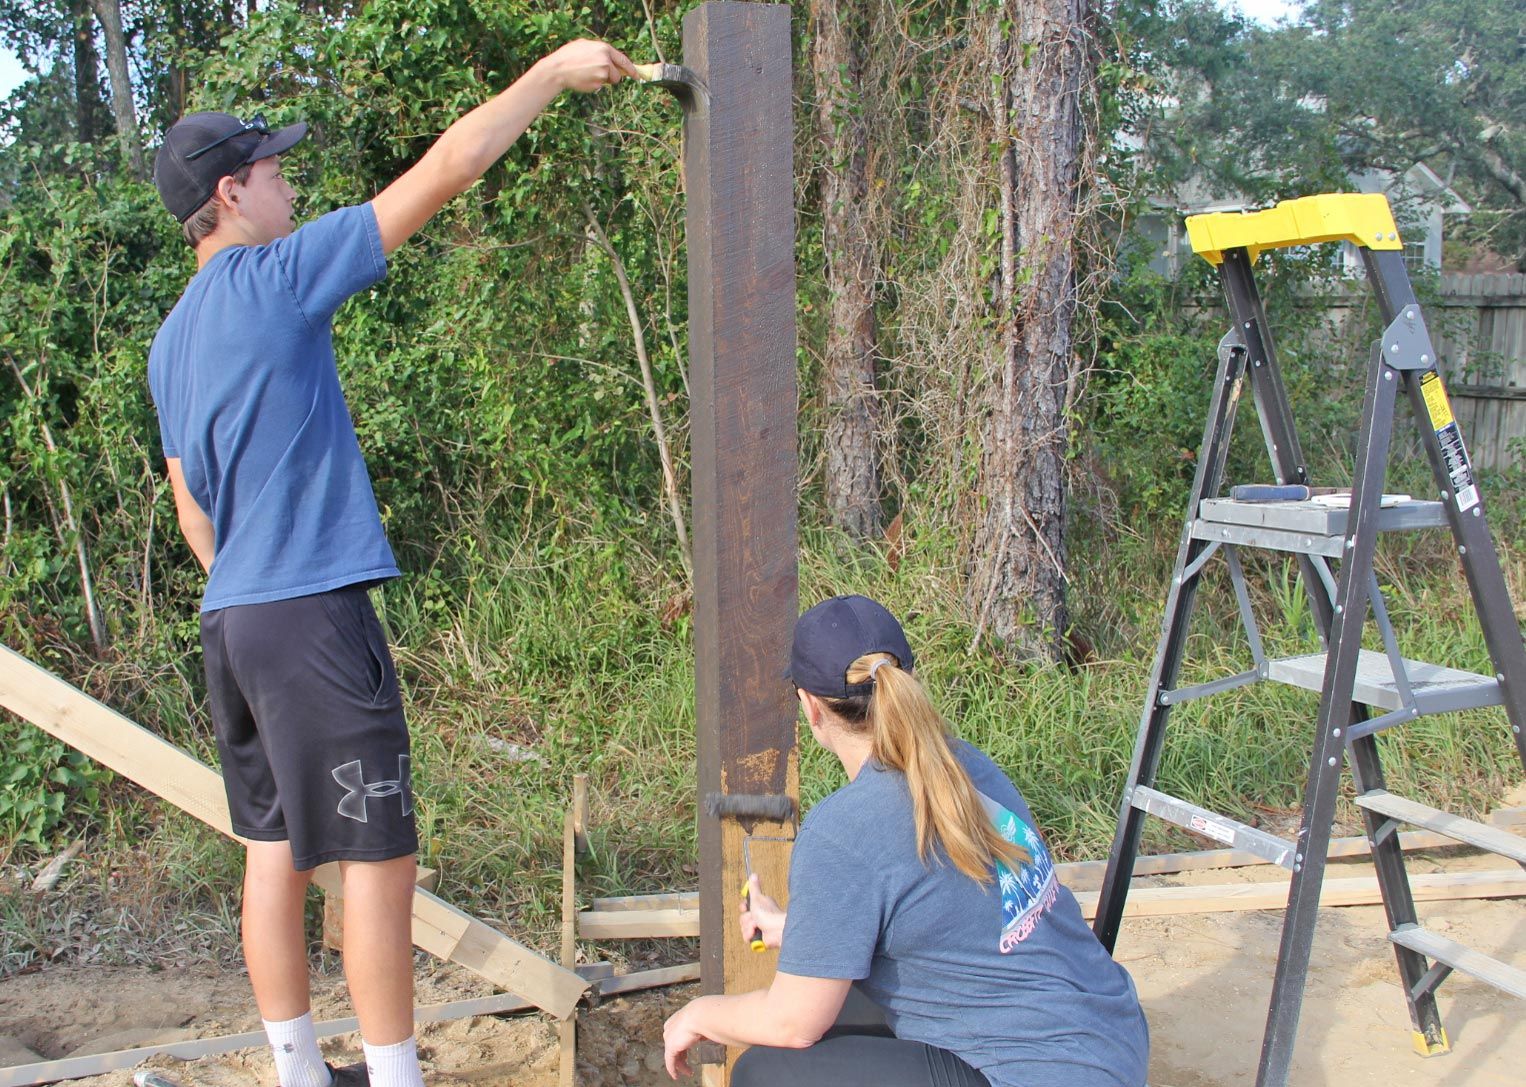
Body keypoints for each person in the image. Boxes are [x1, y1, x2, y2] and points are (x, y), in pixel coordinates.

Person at [148, 39, 638, 1087]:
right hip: (307, 614)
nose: (290, 186)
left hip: (231, 621)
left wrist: (246, 573)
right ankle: (395, 1075)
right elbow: (448, 168)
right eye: (275, 173)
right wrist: (550, 75)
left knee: (275, 850)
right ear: (231, 195)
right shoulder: (272, 278)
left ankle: (298, 1070)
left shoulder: (170, 339)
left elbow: (192, 505)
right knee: (374, 861)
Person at [662, 595, 1150, 1087]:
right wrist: (802, 929)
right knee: (835, 991)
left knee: (766, 1073)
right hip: (1110, 1037)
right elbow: (950, 911)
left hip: (1034, 1075)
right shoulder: (964, 764)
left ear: (809, 706)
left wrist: (697, 1014)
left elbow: (791, 1025)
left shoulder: (843, 831)